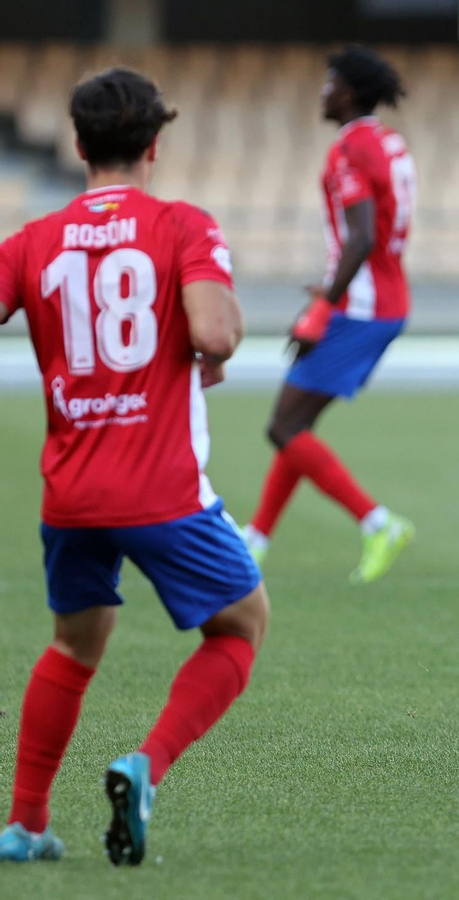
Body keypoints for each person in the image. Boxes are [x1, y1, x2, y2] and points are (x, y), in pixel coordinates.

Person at [0, 68, 269, 867]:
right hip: (161, 489)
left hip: (71, 488)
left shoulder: (33, 240)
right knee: (241, 625)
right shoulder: (181, 225)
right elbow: (214, 336)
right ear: (155, 145)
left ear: (78, 146)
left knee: (75, 645)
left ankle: (25, 824)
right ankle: (144, 768)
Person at [240, 44, 416, 583]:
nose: (323, 91)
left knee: (282, 426)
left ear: (351, 92)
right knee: (298, 427)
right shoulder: (389, 142)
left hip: (358, 308)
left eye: (330, 82)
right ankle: (257, 539)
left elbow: (361, 237)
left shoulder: (349, 151)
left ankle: (377, 522)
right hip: (382, 298)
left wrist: (322, 305)